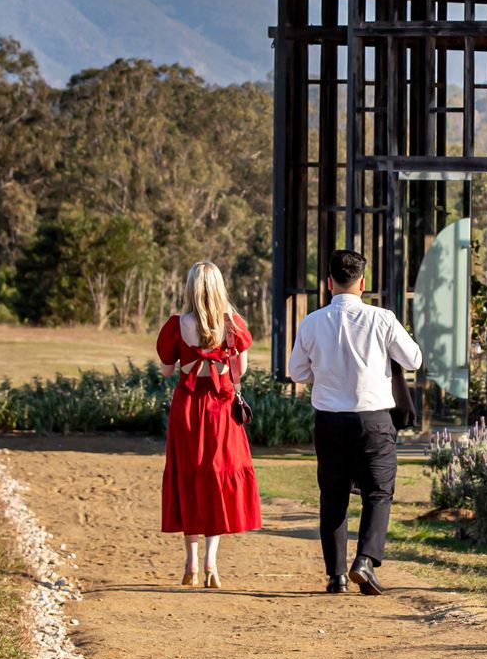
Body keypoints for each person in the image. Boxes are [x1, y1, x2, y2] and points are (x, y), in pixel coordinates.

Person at [284, 248, 423, 595]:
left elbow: (296, 371)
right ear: (363, 283)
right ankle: (364, 561)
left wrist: (327, 371)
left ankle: (336, 576)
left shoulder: (313, 322)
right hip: (373, 419)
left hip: (329, 420)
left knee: (333, 496)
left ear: (329, 283)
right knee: (378, 493)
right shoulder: (382, 319)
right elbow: (414, 359)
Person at [157, 261, 262, 588]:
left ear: (189, 288)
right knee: (216, 479)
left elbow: (166, 371)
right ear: (219, 288)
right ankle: (211, 563)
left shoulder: (176, 325)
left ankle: (190, 560)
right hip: (222, 410)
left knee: (189, 477)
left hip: (187, 408)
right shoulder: (233, 325)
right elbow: (239, 371)